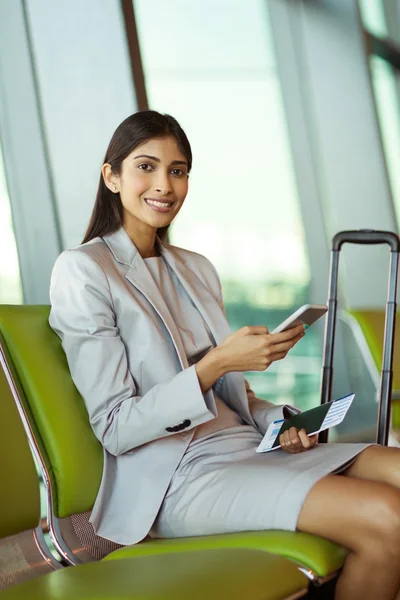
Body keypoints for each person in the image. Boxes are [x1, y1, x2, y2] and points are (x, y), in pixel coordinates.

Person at [49, 110, 400, 600]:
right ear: (111, 176)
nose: (165, 185)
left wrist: (281, 422)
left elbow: (233, 398)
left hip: (249, 448)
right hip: (178, 478)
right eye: (146, 167)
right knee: (387, 516)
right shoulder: (84, 270)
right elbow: (116, 426)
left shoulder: (195, 268)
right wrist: (217, 363)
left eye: (178, 170)